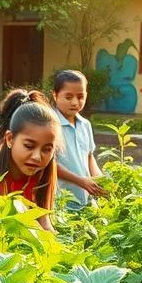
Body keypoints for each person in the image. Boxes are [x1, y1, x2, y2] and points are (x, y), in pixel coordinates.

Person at [0, 89, 61, 231]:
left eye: (47, 150)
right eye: (29, 146)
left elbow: (44, 221)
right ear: (10, 139)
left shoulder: (43, 170)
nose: (37, 157)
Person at [49, 70, 106, 208]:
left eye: (80, 97)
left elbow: (89, 156)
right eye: (68, 97)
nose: (75, 102)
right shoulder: (49, 124)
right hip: (61, 202)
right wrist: (81, 181)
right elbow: (49, 163)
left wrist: (100, 179)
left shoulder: (85, 125)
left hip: (85, 199)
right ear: (55, 95)